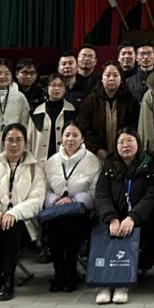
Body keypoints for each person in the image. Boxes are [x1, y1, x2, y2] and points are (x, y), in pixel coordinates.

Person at [0, 123, 46, 301]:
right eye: (10, 140)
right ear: (3, 143)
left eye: (18, 140)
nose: (14, 144)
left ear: (25, 143)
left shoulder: (35, 169)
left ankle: (8, 279)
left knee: (11, 228)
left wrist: (14, 213)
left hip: (24, 224)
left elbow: (37, 201)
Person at [93, 128, 154, 305]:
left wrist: (133, 217)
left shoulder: (148, 164)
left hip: (138, 217)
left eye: (130, 141)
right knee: (101, 227)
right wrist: (111, 218)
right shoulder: (109, 164)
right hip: (114, 217)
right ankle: (104, 284)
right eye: (121, 142)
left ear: (138, 143)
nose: (125, 145)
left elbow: (151, 195)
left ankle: (124, 281)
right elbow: (101, 194)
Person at [42, 122, 101, 292]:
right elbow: (44, 189)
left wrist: (75, 201)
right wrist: (55, 200)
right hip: (55, 209)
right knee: (54, 226)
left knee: (70, 225)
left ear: (82, 139)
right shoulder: (52, 161)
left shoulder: (92, 160)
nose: (70, 139)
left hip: (81, 211)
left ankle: (70, 272)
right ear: (61, 138)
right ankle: (58, 272)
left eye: (75, 135)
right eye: (67, 135)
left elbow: (95, 190)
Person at [79, 61, 140, 160]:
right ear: (101, 78)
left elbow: (134, 128)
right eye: (107, 75)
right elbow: (84, 129)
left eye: (115, 75)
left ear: (121, 78)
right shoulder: (90, 101)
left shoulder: (130, 101)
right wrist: (97, 149)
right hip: (95, 155)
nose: (111, 78)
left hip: (125, 154)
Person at [27, 73, 77, 162]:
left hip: (66, 161)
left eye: (60, 85)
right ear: (47, 88)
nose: (56, 88)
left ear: (65, 89)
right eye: (53, 85)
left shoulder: (73, 111)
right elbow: (29, 141)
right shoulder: (37, 112)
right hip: (40, 162)